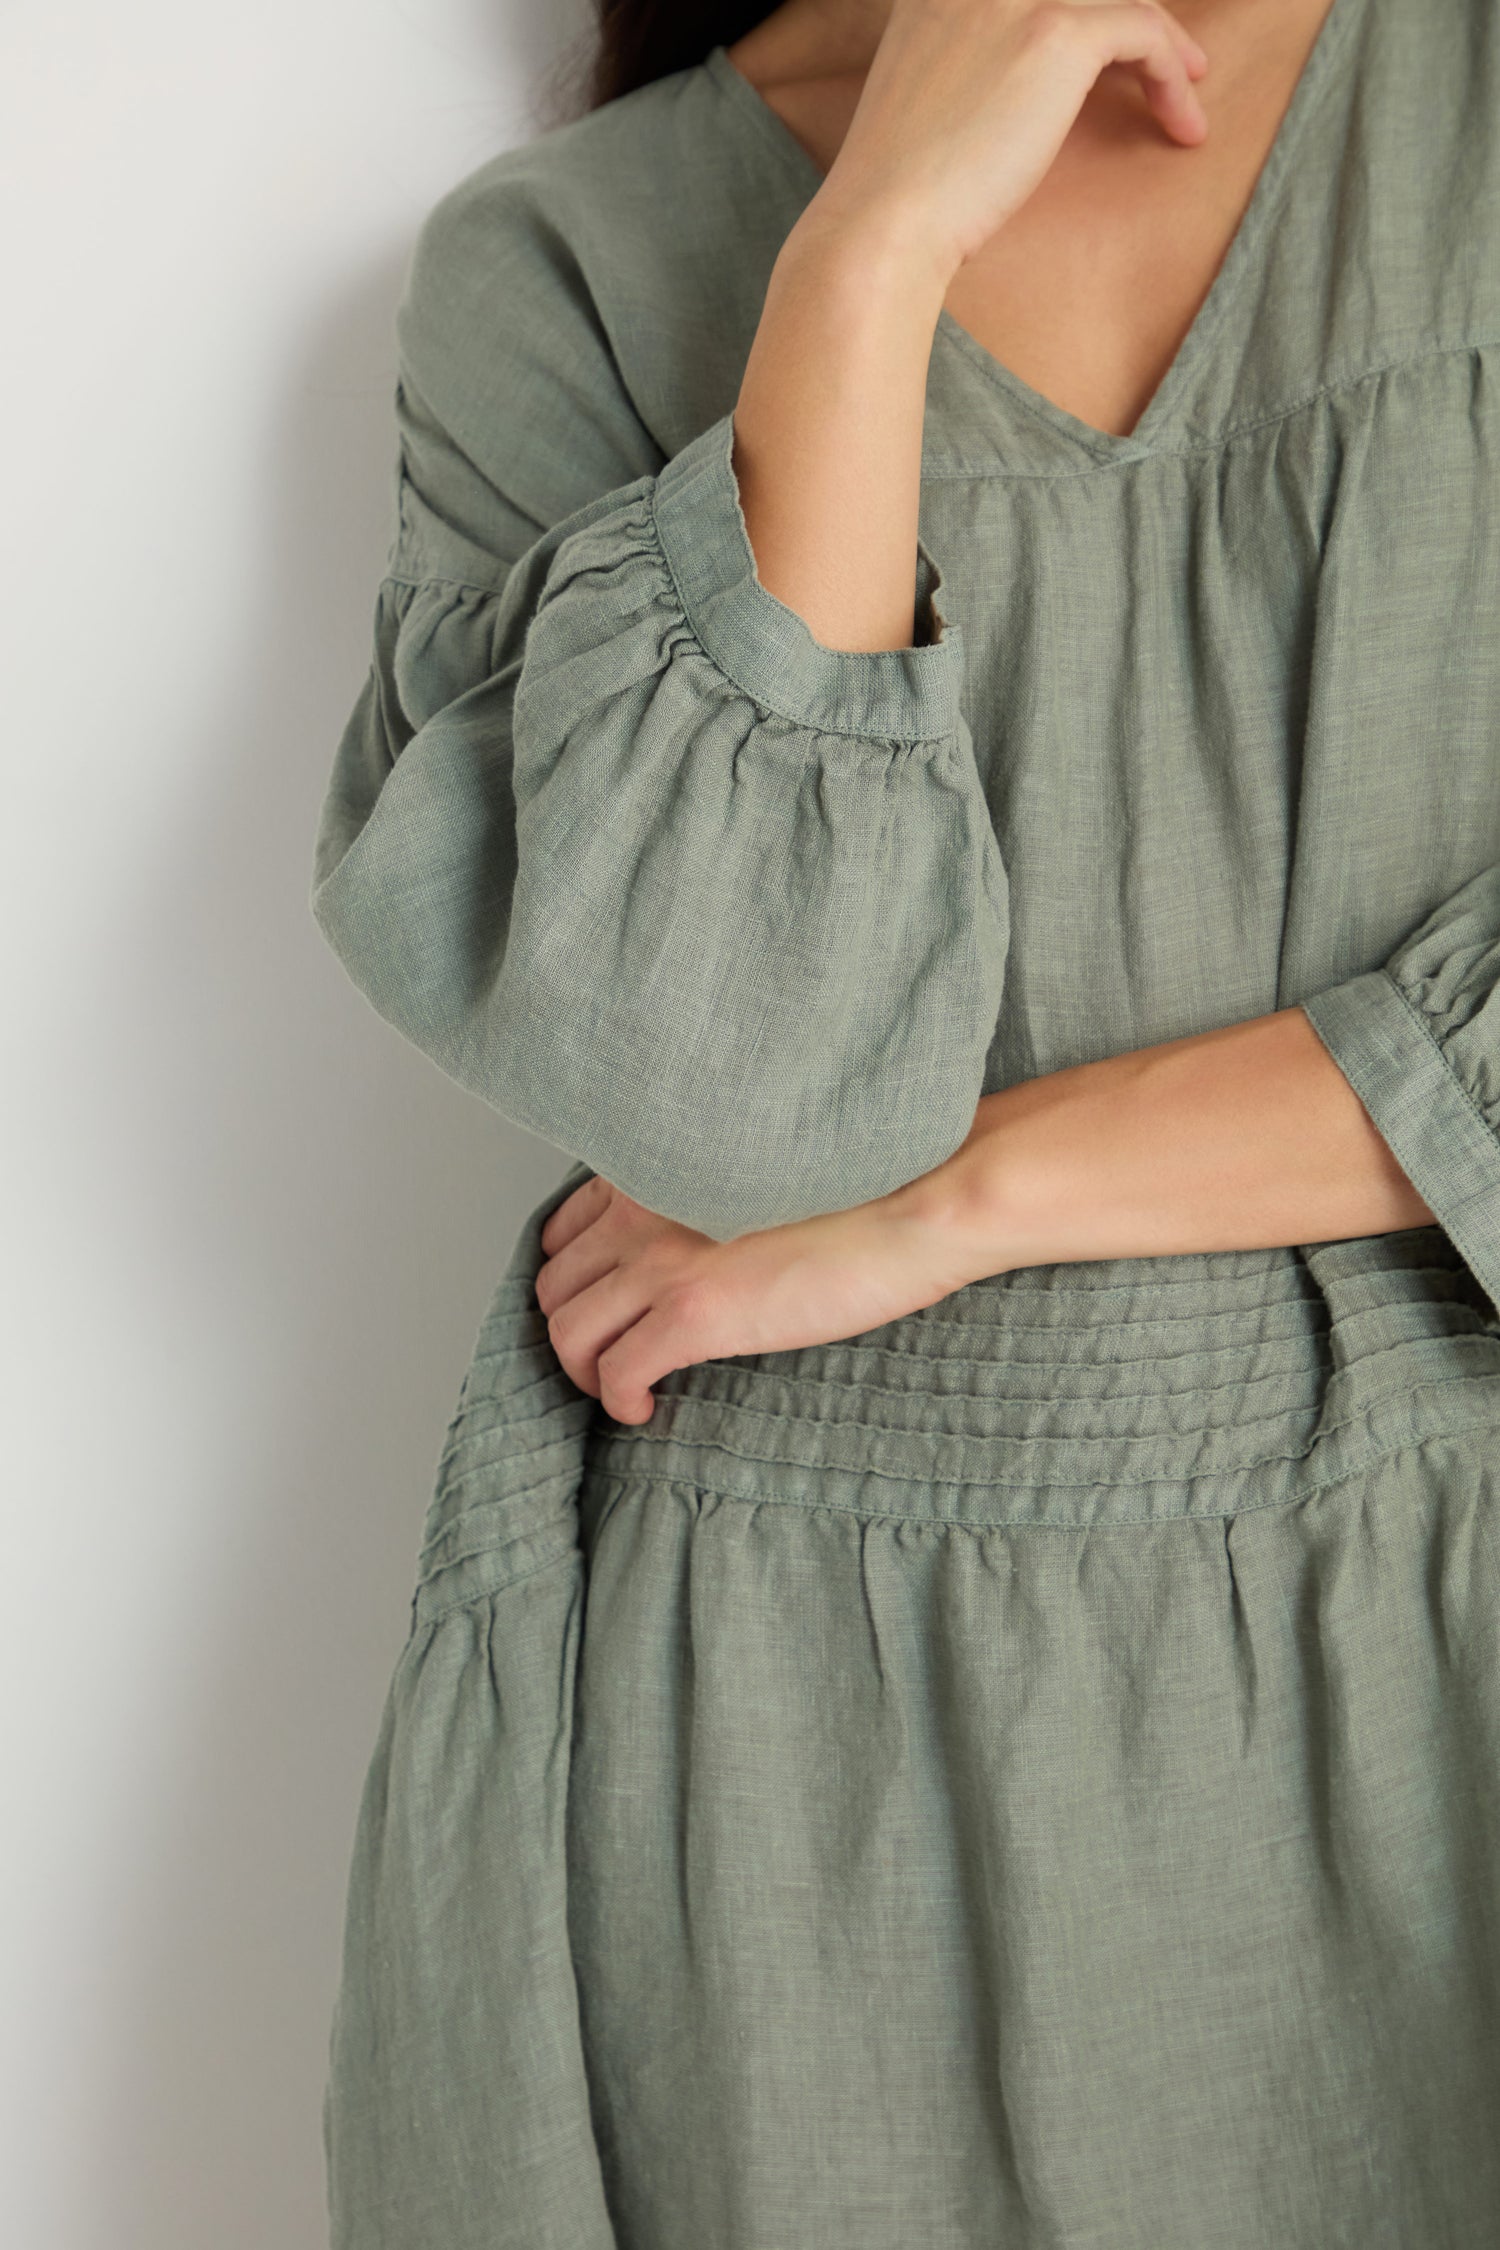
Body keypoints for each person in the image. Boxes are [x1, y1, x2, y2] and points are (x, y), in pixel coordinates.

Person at [309, 0, 1500, 2241]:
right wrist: (870, 254)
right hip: (808, 1762)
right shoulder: (567, 265)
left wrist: (964, 1200)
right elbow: (736, 1095)